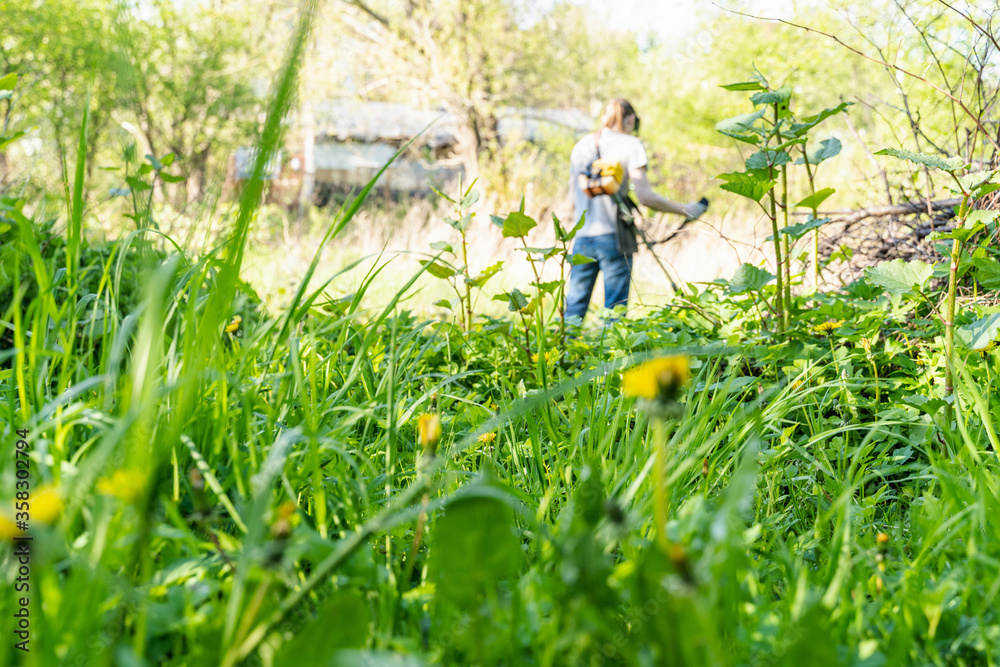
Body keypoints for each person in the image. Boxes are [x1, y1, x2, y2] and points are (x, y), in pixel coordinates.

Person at [564, 98, 705, 324]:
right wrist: (685, 210)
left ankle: (564, 355)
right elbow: (645, 196)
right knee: (614, 315)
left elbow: (572, 200)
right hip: (615, 239)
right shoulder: (631, 144)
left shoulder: (581, 145)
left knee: (573, 310)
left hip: (582, 237)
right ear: (630, 119)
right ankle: (610, 357)